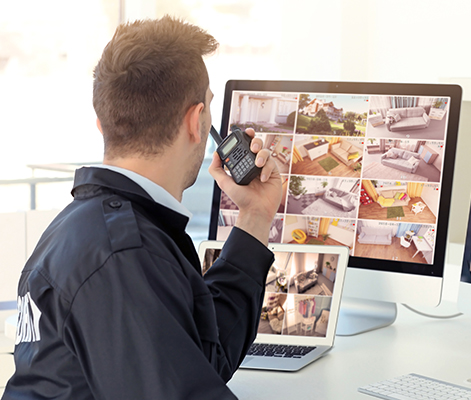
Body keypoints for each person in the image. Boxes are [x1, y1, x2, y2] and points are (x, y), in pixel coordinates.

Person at [1, 16, 281, 399]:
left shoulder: (91, 228)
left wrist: (254, 217)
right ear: (196, 122)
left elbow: (197, 356)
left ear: (102, 123)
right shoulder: (122, 253)